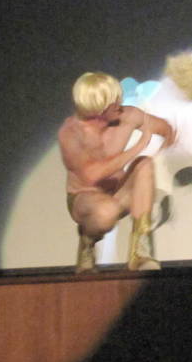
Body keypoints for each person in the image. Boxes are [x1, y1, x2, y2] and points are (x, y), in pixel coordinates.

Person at [59, 72, 175, 273]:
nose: (120, 105)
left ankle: (140, 252)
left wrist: (167, 138)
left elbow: (163, 128)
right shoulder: (71, 133)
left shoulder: (127, 116)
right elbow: (92, 175)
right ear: (99, 110)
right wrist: (137, 147)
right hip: (85, 200)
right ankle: (87, 241)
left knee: (144, 165)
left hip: (120, 193)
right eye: (114, 103)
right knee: (107, 211)